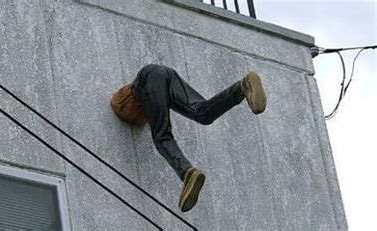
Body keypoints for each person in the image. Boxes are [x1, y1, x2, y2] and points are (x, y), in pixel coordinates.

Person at [111, 64, 267, 212]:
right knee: (203, 113)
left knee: (162, 135)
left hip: (148, 78)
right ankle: (241, 87)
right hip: (165, 74)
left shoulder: (124, 104)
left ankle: (187, 172)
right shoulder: (136, 106)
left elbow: (129, 103)